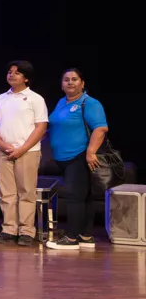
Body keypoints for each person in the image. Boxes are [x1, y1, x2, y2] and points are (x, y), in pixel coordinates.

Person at [45, 68, 108, 251]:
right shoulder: (61, 102)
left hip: (80, 156)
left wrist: (91, 152)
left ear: (82, 83)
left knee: (75, 197)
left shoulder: (89, 103)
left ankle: (71, 238)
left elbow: (100, 129)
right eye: (66, 80)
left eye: (74, 79)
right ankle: (85, 236)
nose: (70, 82)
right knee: (83, 196)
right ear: (61, 84)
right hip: (63, 158)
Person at [0, 60, 49, 247]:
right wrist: (2, 145)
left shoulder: (35, 99)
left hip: (27, 152)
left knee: (26, 192)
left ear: (26, 78)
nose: (12, 75)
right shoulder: (0, 99)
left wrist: (22, 149)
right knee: (7, 193)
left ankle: (26, 231)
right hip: (3, 152)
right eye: (9, 72)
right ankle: (9, 229)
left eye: (17, 72)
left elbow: (41, 126)